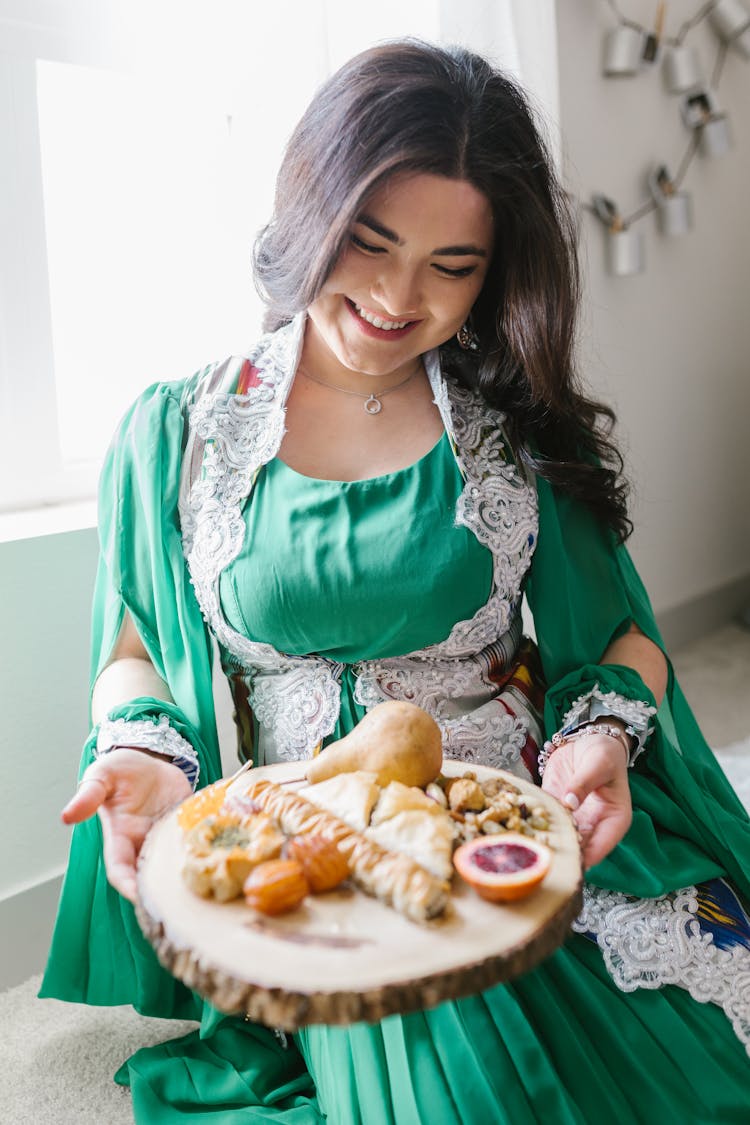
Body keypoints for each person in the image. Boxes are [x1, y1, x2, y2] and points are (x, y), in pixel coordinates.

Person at [41, 39, 749, 1124]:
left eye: (450, 265)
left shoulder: (513, 440)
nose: (395, 295)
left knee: (682, 1061)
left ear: (494, 269)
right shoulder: (173, 433)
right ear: (309, 212)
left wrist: (601, 739)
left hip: (513, 821)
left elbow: (628, 637)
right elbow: (135, 649)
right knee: (463, 1075)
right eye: (368, 242)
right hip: (322, 858)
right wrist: (138, 750)